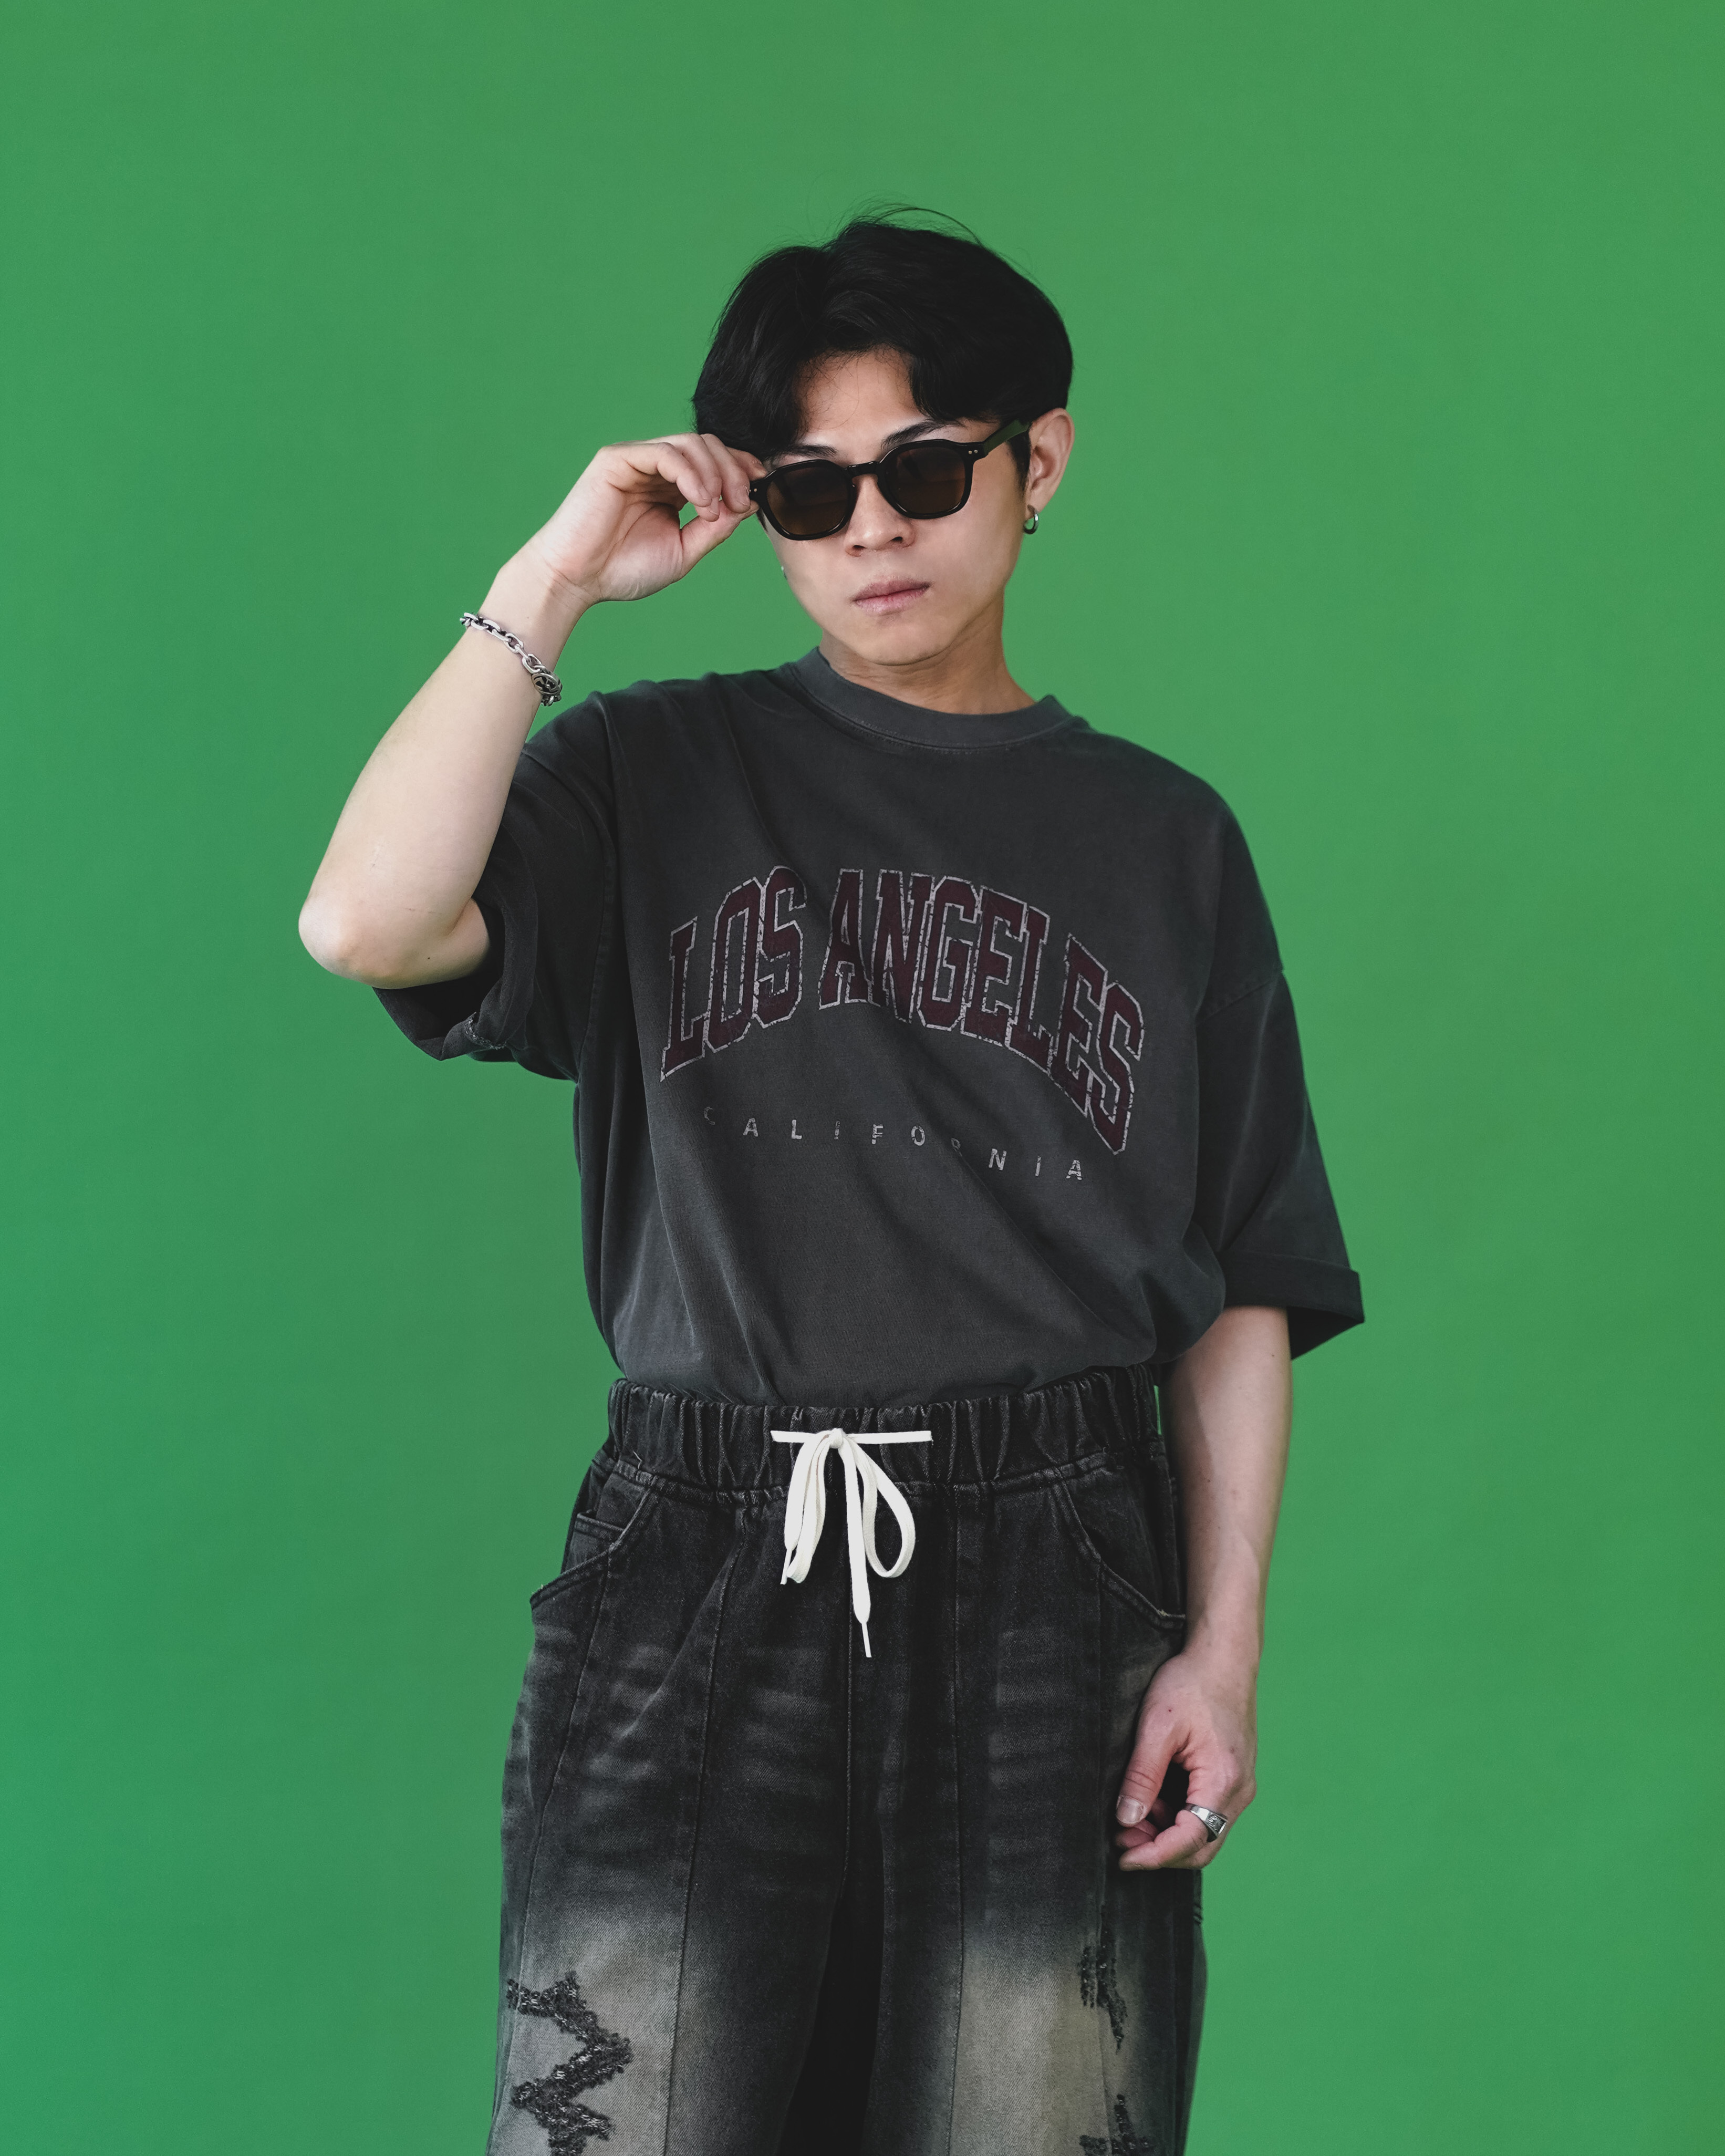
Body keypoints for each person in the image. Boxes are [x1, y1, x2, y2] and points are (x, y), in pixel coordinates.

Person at [299, 214, 1362, 2156]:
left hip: (1058, 1576)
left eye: (924, 471)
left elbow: (1242, 1278)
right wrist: (553, 578)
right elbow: (368, 922)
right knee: (612, 2120)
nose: (872, 530)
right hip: (700, 1557)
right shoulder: (650, 776)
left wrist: (1221, 1651)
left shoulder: (1164, 841)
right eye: (808, 490)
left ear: (1039, 462)